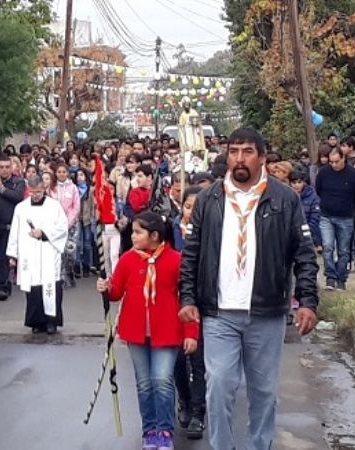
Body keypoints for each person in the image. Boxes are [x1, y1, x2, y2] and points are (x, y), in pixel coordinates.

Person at [179, 128, 319, 450]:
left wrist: (308, 301)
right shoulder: (208, 199)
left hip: (266, 312)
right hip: (219, 313)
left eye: (247, 151)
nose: (239, 159)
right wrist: (187, 297)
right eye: (233, 151)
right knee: (219, 386)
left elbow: (304, 255)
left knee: (264, 393)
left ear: (262, 157)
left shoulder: (285, 199)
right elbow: (192, 254)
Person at [97, 211, 198, 450]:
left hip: (168, 330)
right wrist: (106, 287)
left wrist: (191, 332)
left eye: (138, 232)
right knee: (144, 383)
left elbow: (188, 299)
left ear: (154, 235)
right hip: (136, 331)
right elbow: (116, 293)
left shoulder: (176, 260)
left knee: (162, 380)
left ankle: (165, 430)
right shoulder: (128, 260)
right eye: (132, 232)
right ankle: (149, 429)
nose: (132, 236)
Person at [6, 175, 68, 334]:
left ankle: (51, 322)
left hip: (48, 251)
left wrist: (44, 233)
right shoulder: (21, 208)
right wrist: (13, 255)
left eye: (38, 192)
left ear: (44, 189)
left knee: (50, 286)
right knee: (33, 287)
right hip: (29, 252)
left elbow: (62, 228)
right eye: (32, 192)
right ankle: (36, 322)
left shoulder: (54, 206)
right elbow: (15, 231)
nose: (35, 195)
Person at [169, 185, 207, 439]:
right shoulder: (171, 230)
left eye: (197, 207)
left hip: (202, 299)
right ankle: (184, 398)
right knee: (178, 359)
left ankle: (197, 411)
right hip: (175, 299)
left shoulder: (211, 230)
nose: (192, 211)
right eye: (188, 206)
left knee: (199, 360)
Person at [315, 149, 355, 290]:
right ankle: (330, 277)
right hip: (326, 215)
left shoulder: (353, 174)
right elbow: (318, 189)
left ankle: (341, 278)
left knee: (344, 250)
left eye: (336, 161)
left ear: (343, 158)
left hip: (346, 216)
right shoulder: (323, 172)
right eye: (331, 162)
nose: (333, 165)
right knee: (328, 246)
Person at [0, 154, 26, 301]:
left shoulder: (18, 181)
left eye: (7, 167)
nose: (5, 170)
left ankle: (2, 287)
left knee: (3, 258)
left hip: (8, 226)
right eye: (1, 167)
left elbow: (17, 197)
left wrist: (1, 188)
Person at [48, 163, 80, 288]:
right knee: (59, 251)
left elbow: (76, 207)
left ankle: (69, 271)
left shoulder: (73, 188)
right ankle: (60, 276)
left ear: (67, 173)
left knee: (70, 251)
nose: (61, 174)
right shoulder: (51, 188)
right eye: (59, 172)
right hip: (56, 225)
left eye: (64, 172)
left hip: (71, 225)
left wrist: (68, 222)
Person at [289, 171, 322, 252]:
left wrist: (314, 240)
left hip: (308, 234)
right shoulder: (286, 195)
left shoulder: (312, 196)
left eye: (299, 182)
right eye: (294, 183)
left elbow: (314, 219)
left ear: (304, 182)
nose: (297, 185)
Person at [75, 169, 95, 278]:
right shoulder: (74, 189)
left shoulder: (91, 190)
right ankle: (77, 265)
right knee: (78, 243)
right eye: (77, 175)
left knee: (87, 243)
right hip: (77, 219)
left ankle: (87, 265)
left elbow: (93, 206)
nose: (79, 177)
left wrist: (92, 219)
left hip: (87, 219)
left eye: (81, 175)